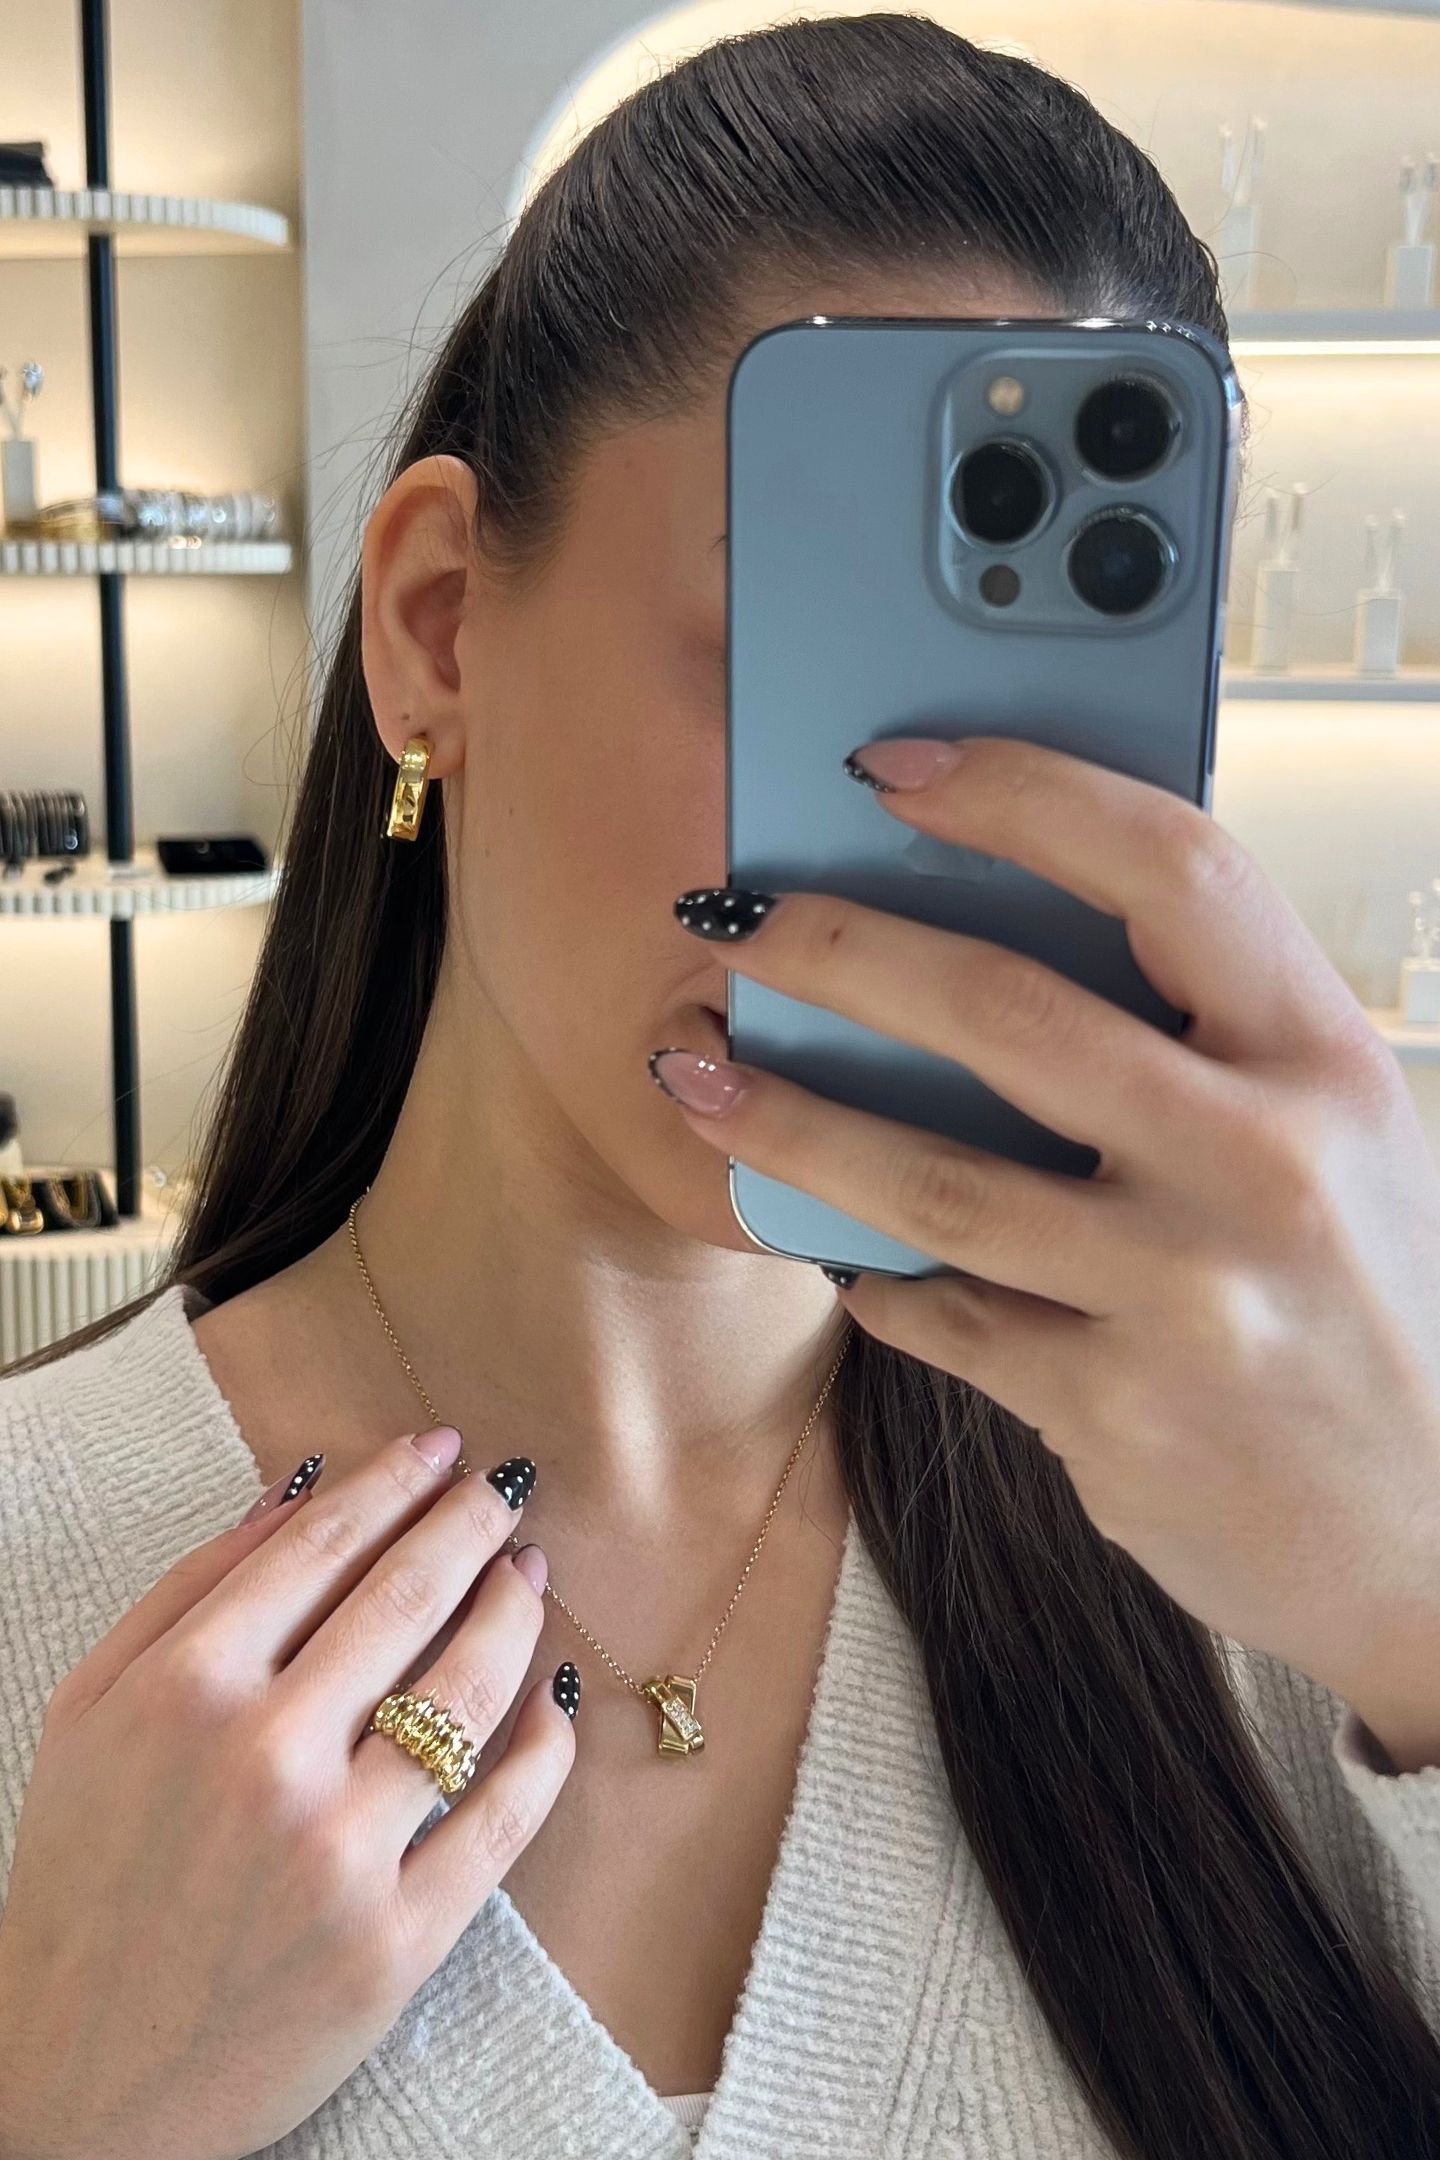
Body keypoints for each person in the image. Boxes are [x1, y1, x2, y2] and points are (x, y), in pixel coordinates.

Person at [3, 14, 1440, 2158]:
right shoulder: (35, 1566)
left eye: (1067, 725)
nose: (929, 851)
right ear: (438, 627)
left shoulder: (1288, 1580)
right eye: (813, 656)